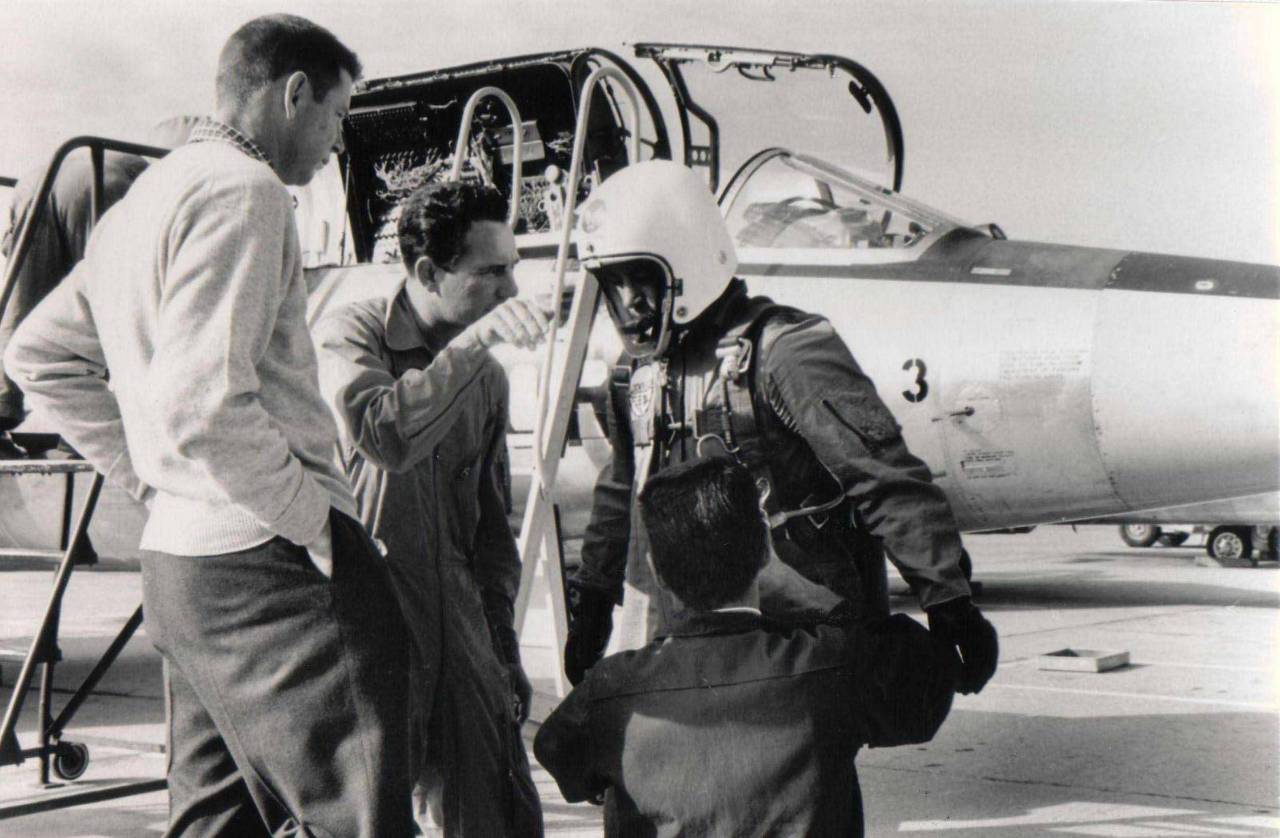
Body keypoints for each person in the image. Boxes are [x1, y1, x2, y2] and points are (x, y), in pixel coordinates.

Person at [5, 15, 414, 837]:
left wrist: (152, 481)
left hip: (182, 571)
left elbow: (38, 352)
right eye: (336, 116)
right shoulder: (246, 191)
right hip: (268, 563)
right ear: (293, 94)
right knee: (363, 811)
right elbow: (205, 406)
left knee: (214, 822)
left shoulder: (144, 200)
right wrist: (317, 525)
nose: (337, 144)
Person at [564, 159, 998, 695]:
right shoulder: (637, 376)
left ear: (687, 263)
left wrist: (948, 600)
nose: (629, 303)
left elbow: (884, 477)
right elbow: (620, 494)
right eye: (613, 281)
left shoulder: (787, 351)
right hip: (692, 637)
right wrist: (594, 597)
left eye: (642, 278)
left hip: (796, 640)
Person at [535, 456, 961, 836]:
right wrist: (817, 600)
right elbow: (932, 677)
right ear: (764, 555)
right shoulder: (834, 662)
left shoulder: (613, 689)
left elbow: (560, 757)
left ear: (656, 572)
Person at [314, 180, 545, 837]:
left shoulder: (484, 380)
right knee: (370, 821)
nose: (511, 294)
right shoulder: (351, 336)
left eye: (514, 270)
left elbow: (491, 535)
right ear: (425, 272)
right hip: (370, 632)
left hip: (461, 629)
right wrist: (476, 349)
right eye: (491, 273)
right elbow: (384, 432)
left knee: (504, 818)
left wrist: (503, 651)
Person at [0, 115, 199, 457]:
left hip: (41, 179)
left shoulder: (135, 150)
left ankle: (2, 417)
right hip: (104, 187)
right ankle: (81, 435)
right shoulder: (168, 173)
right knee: (107, 316)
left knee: (20, 307)